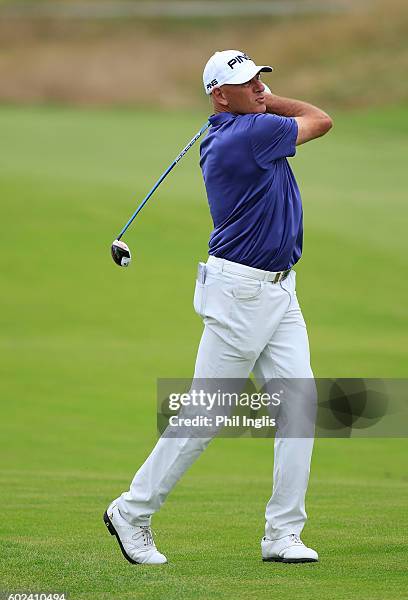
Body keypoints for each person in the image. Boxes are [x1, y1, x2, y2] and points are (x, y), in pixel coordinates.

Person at [104, 49, 333, 565]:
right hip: (242, 296)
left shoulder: (236, 130)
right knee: (206, 415)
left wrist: (259, 101)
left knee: (300, 405)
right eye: (246, 83)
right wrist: (273, 104)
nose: (258, 88)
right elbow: (320, 119)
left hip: (278, 291)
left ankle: (283, 534)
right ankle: (131, 511)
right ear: (218, 94)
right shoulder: (251, 135)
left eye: (260, 79)